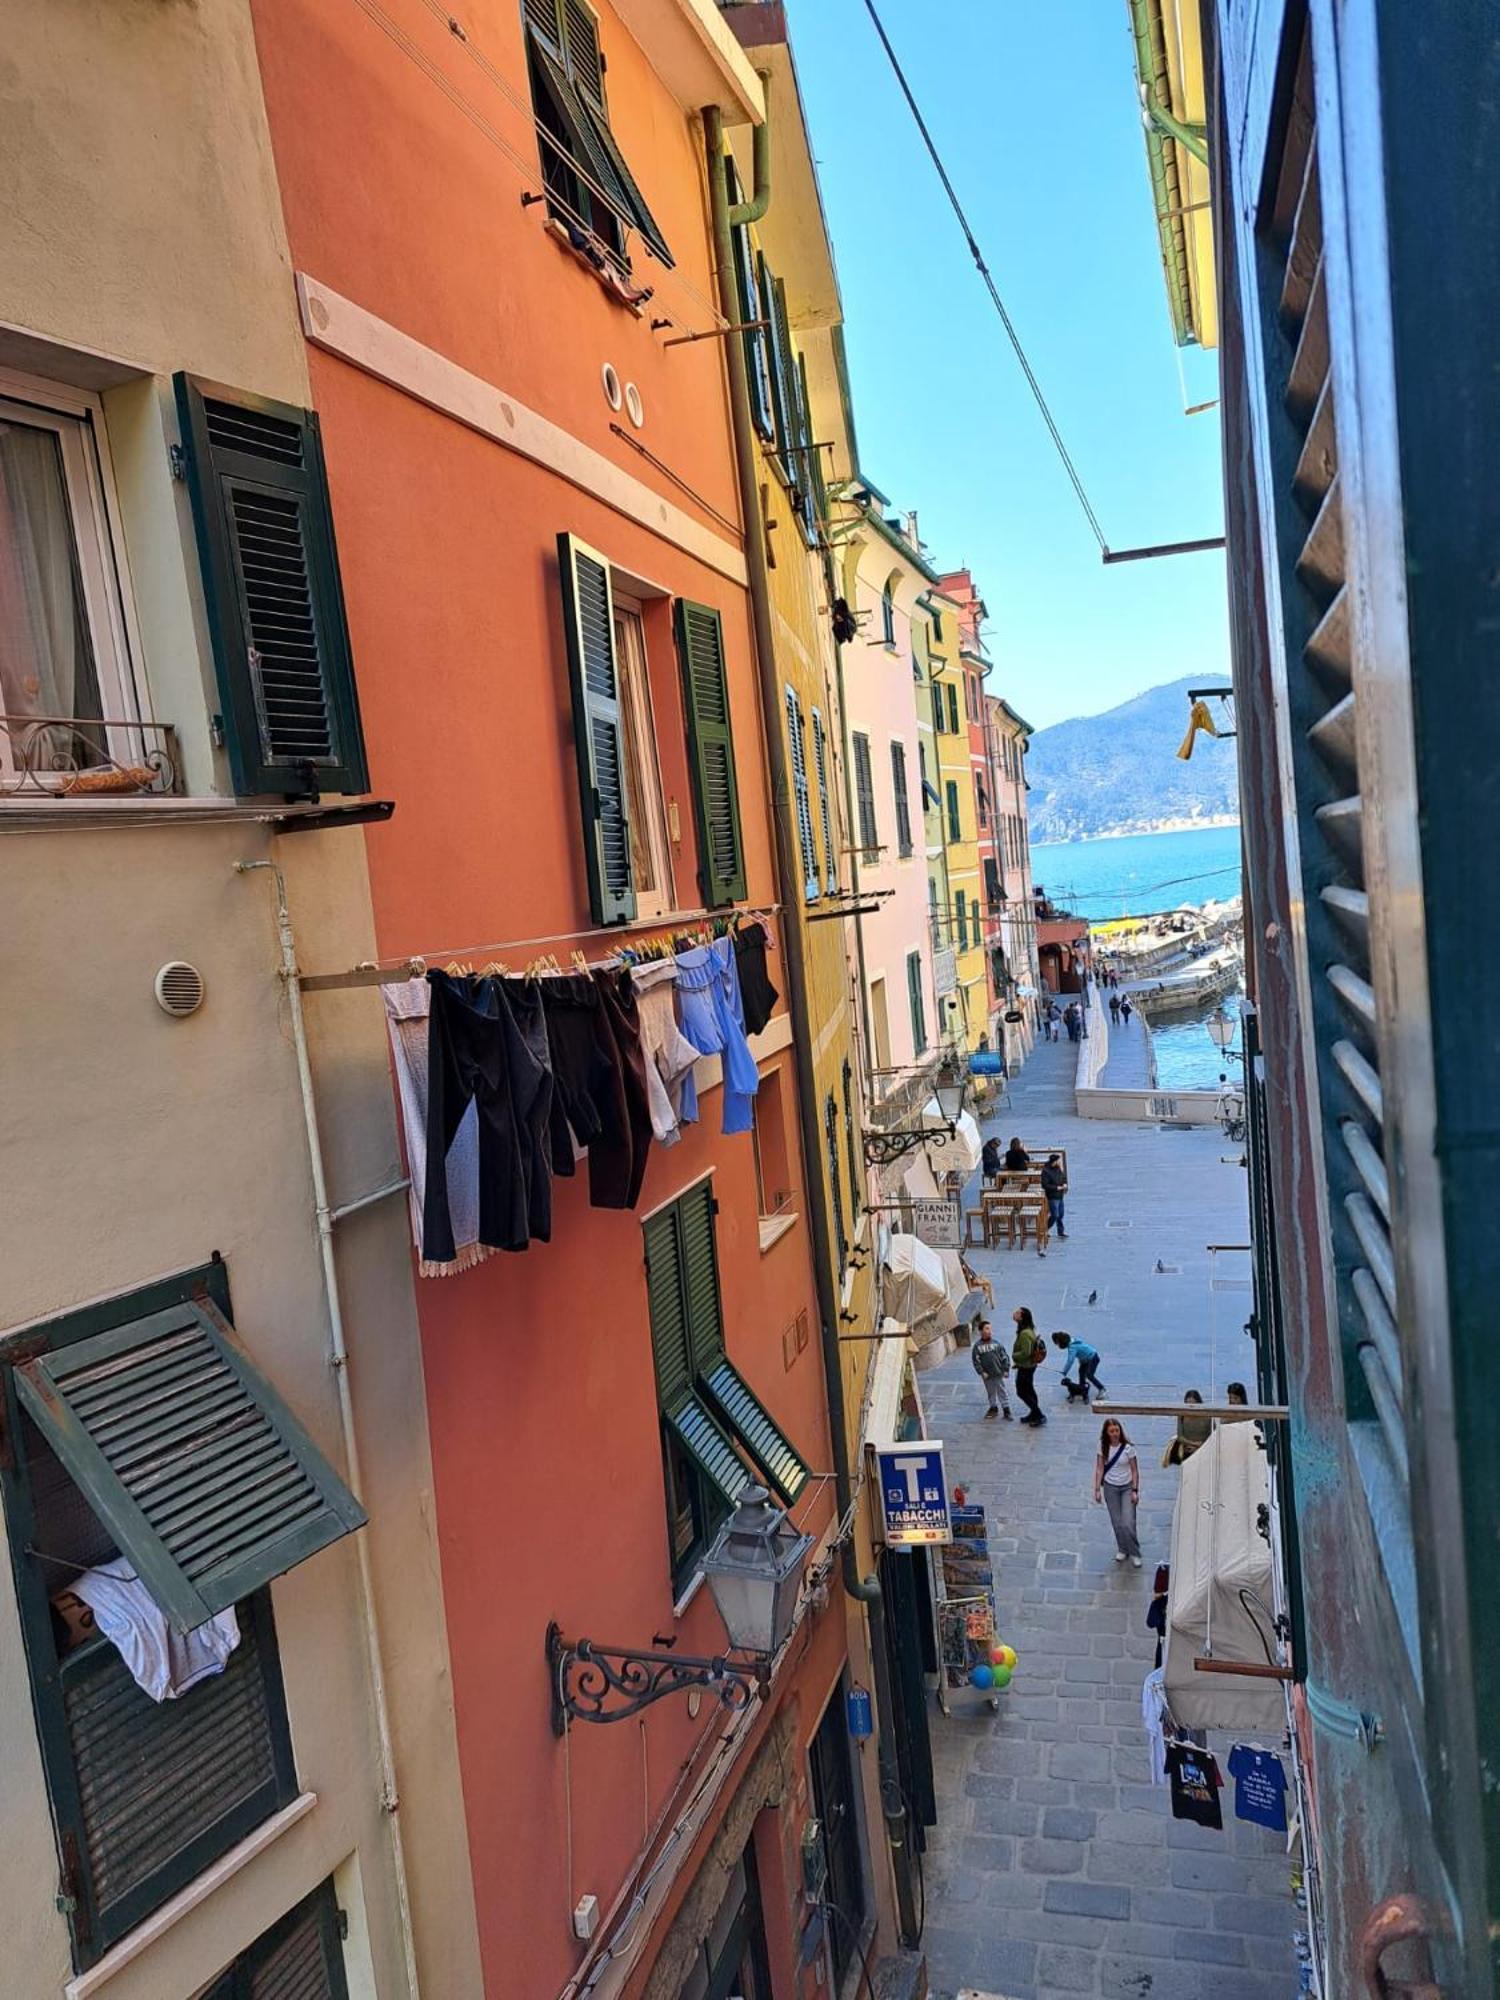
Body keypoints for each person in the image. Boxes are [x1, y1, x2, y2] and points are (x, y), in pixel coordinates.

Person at [1094, 1418, 1142, 1565]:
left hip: (1127, 1486)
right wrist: (1097, 1489)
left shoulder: (1128, 1448)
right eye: (1111, 1431)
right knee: (1117, 1522)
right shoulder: (1102, 1447)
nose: (1115, 1434)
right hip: (1110, 1487)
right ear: (1106, 1433)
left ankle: (1134, 1551)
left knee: (1128, 1522)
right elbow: (1099, 1468)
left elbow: (1134, 1470)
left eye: (1117, 1430)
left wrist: (1135, 1489)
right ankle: (1123, 1548)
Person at [971, 1318, 1012, 1420]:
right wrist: (981, 1372)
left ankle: (1006, 1409)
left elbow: (1004, 1357)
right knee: (990, 1391)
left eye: (990, 1329)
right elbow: (976, 1361)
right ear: (981, 1331)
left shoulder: (997, 1344)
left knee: (1001, 1390)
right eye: (987, 1328)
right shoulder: (977, 1346)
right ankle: (993, 1407)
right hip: (987, 1375)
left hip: (998, 1373)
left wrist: (1006, 1369)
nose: (989, 1331)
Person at [1011, 1307, 1047, 1425]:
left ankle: (1038, 1414)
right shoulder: (1027, 1330)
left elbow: (1026, 1352)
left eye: (1017, 1313)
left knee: (1021, 1391)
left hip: (1026, 1367)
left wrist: (1015, 1356)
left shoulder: (1025, 1333)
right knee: (1029, 1390)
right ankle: (1033, 1413)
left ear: (1022, 1317)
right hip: (1028, 1366)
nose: (1014, 1314)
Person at [1162, 1389, 1212, 1466]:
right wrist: (1194, 1444)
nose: (1190, 1407)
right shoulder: (1181, 1416)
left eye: (1193, 1404)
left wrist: (1200, 1446)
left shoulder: (1207, 1416)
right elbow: (1180, 1437)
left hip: (1204, 1450)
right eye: (1188, 1404)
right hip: (1187, 1449)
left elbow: (1212, 1435)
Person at [1053, 1331, 1103, 1400]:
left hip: (1093, 1358)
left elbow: (1070, 1361)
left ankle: (1102, 1389)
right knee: (1081, 1373)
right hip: (1086, 1360)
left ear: (1062, 1343)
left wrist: (1065, 1371)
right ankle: (1082, 1389)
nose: (1058, 1346)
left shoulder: (1072, 1348)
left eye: (1058, 1344)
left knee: (1089, 1375)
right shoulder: (1072, 1341)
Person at [1040, 1153, 1067, 1238]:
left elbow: (1063, 1177)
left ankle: (1061, 1231)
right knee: (1055, 1215)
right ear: (1054, 1162)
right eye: (1058, 1161)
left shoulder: (1059, 1169)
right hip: (1052, 1196)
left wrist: (1065, 1183)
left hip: (1060, 1195)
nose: (1060, 1162)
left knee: (1061, 1214)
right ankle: (1045, 1229)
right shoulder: (1046, 1171)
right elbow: (1045, 1185)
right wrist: (1056, 1188)